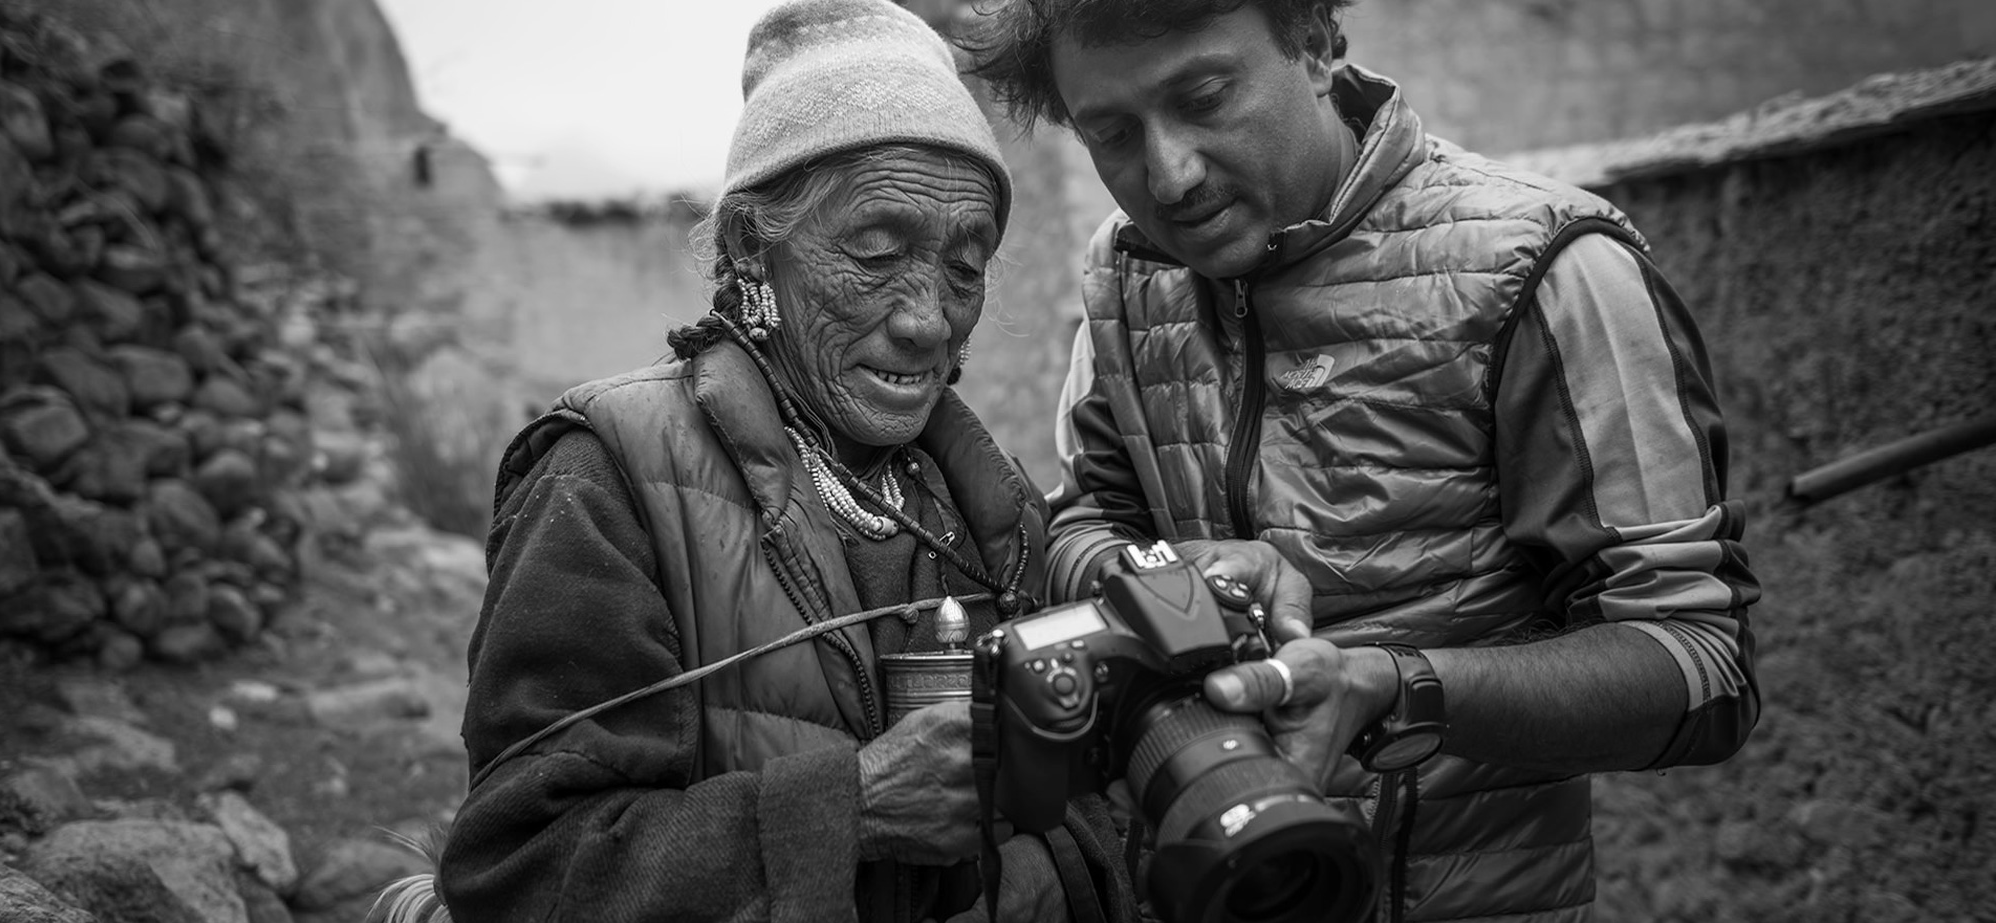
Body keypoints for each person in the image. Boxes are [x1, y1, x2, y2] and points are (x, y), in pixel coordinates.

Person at [969, 1, 1762, 920]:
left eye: (1205, 96)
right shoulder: (1129, 274)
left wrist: (1396, 686)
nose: (1169, 173)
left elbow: (1703, 665)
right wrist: (1154, 579)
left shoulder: (1549, 269)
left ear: (1312, 44)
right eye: (1111, 132)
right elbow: (1085, 520)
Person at [428, 1, 1136, 920]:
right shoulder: (608, 480)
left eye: (967, 268)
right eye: (876, 254)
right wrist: (859, 806)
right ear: (751, 249)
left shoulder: (987, 508)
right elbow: (518, 868)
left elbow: (1095, 810)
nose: (929, 319)